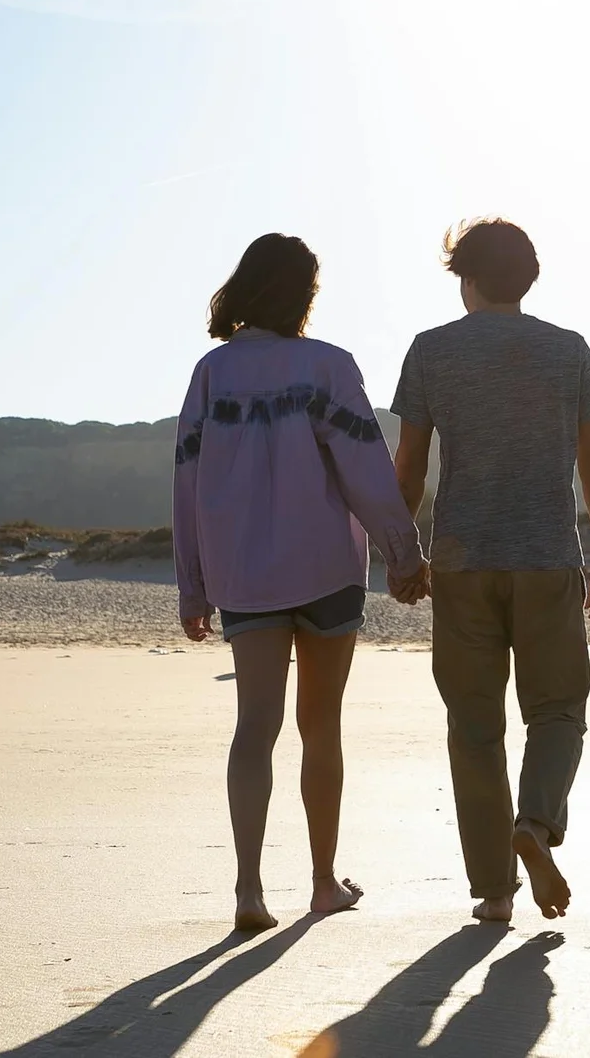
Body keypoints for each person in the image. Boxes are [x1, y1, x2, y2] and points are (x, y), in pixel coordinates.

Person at [173, 233, 430, 932]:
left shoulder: (211, 373)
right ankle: (322, 882)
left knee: (254, 728)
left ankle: (249, 891)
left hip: (243, 573)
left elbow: (187, 482)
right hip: (325, 569)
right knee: (321, 727)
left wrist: (192, 586)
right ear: (303, 293)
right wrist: (403, 554)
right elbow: (366, 470)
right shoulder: (327, 366)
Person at [392, 218, 590, 923]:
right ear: (527, 279)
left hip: (462, 563)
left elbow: (410, 467)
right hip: (547, 559)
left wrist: (402, 551)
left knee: (473, 726)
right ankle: (537, 824)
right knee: (558, 710)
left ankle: (494, 892)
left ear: (466, 279)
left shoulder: (431, 351)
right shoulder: (567, 350)